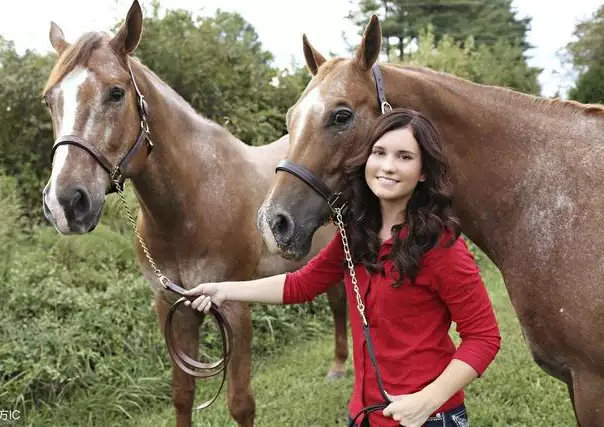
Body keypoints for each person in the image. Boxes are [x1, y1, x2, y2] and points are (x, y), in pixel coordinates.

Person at [184, 108, 501, 427]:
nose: (388, 166)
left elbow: (483, 337)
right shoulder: (356, 233)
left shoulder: (440, 245)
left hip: (428, 417)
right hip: (363, 414)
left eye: (404, 157)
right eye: (379, 153)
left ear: (422, 171)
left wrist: (426, 401)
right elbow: (300, 285)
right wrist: (223, 290)